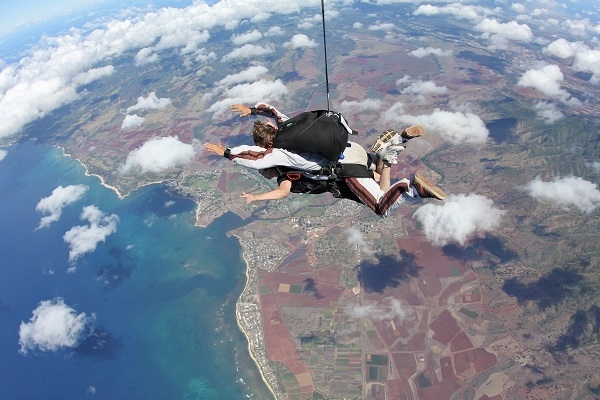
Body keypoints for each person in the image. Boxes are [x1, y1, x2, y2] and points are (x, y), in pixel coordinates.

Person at [204, 103, 445, 217]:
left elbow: (256, 160)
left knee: (382, 207)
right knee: (381, 181)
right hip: (350, 148)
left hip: (344, 168)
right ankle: (394, 146)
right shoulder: (288, 127)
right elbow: (273, 111)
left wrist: (227, 153)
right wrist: (252, 110)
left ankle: (413, 188)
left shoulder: (279, 157)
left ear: (266, 145)